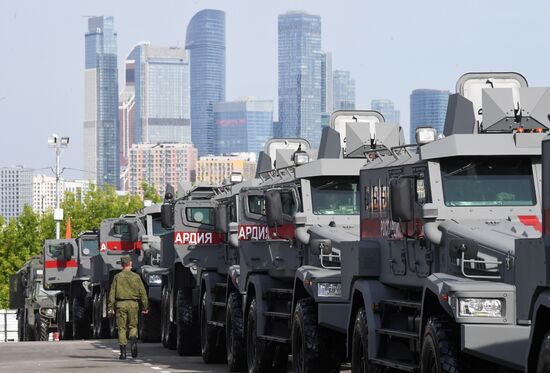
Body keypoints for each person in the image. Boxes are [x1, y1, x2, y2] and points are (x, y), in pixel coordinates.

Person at [108, 256, 148, 360]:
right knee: (133, 326)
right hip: (133, 304)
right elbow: (143, 293)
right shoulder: (136, 277)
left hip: (120, 305)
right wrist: (145, 307)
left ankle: (123, 353)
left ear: (121, 264)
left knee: (121, 328)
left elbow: (112, 294)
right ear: (130, 263)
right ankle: (133, 344)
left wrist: (110, 307)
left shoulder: (117, 277)